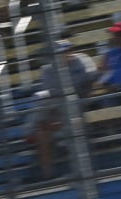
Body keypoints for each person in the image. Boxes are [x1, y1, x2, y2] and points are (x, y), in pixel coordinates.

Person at [28, 39, 98, 179]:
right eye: (60, 53)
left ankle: (82, 171)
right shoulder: (48, 70)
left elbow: (92, 82)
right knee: (42, 132)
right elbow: (50, 94)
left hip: (80, 106)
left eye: (66, 51)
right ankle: (47, 175)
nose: (65, 54)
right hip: (57, 111)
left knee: (74, 126)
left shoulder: (82, 61)